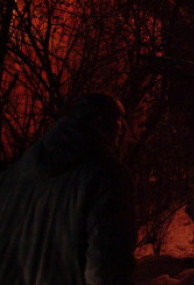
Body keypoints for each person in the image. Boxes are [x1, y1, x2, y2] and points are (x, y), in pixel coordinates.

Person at [0, 92, 136, 284]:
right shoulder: (106, 176)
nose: (122, 134)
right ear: (101, 122)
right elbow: (106, 270)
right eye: (119, 125)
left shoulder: (14, 175)